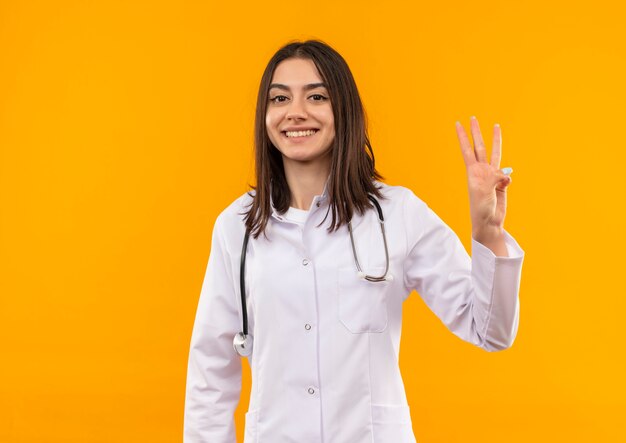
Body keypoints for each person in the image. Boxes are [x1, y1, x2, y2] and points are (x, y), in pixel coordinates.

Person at [183, 40, 524, 443]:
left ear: (342, 109)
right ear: (265, 115)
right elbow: (211, 373)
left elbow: (490, 331)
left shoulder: (398, 214)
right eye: (280, 98)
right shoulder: (235, 228)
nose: (296, 112)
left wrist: (489, 233)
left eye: (316, 96)